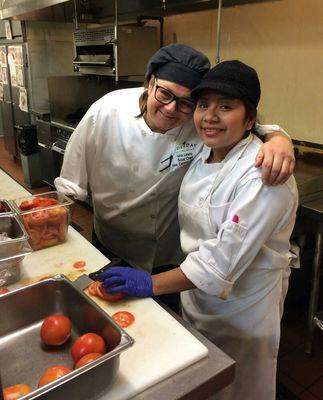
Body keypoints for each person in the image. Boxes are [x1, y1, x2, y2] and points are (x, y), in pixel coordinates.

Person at [98, 60, 298, 400]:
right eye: (204, 105)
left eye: (225, 107)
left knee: (239, 388)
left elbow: (220, 262)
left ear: (250, 119)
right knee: (201, 384)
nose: (209, 116)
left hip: (244, 310)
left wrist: (149, 284)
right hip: (196, 298)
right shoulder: (205, 150)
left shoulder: (264, 175)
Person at [55, 44, 294, 276]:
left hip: (166, 255)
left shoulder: (198, 121)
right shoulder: (107, 110)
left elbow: (242, 124)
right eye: (165, 93)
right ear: (150, 82)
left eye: (185, 102)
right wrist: (58, 241)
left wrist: (278, 139)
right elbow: (70, 185)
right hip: (109, 241)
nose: (171, 108)